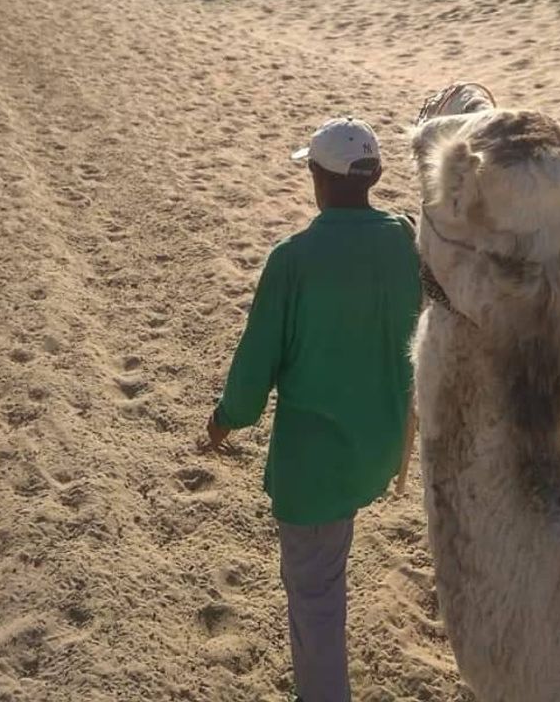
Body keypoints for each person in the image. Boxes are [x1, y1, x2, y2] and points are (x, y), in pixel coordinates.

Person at [205, 116, 421, 702]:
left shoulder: (292, 258)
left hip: (316, 468)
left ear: (321, 182)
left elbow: (255, 367)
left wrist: (224, 418)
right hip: (377, 449)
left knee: (316, 597)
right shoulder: (406, 239)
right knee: (330, 565)